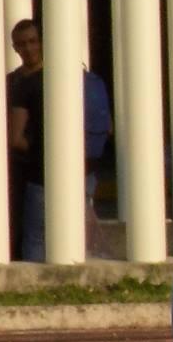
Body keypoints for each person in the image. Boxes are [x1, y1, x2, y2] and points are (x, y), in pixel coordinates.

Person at [7, 20, 115, 262]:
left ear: (43, 42)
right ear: (15, 47)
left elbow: (14, 138)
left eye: (32, 42)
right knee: (77, 230)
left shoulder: (18, 84)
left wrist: (43, 151)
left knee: (35, 234)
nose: (28, 49)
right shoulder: (76, 79)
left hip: (36, 173)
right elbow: (107, 127)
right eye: (22, 44)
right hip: (84, 169)